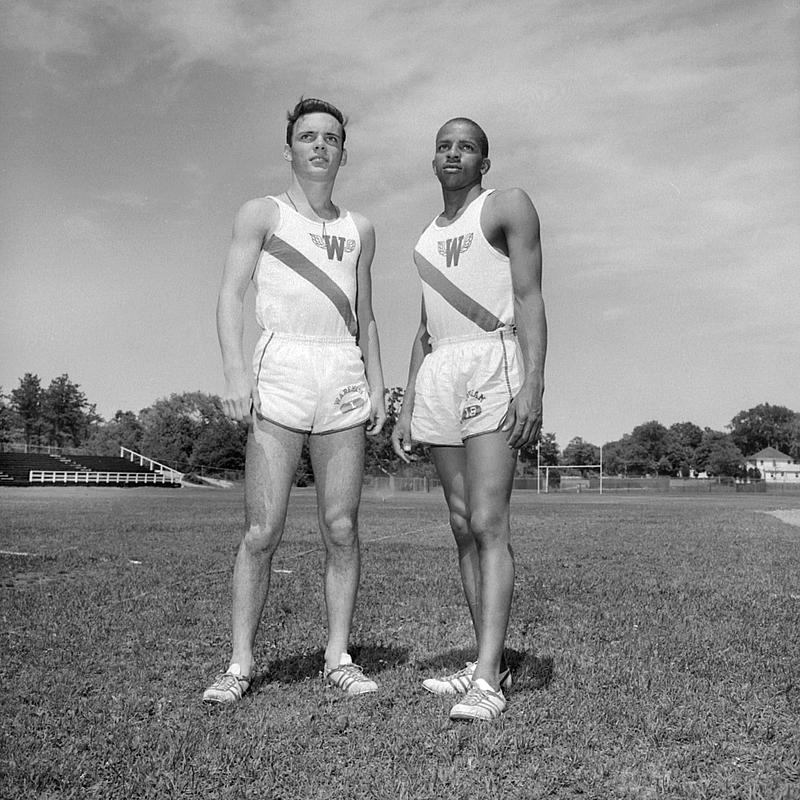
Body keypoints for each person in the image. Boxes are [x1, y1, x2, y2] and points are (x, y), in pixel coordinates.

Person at [204, 98, 386, 704]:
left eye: (330, 138)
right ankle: (239, 664)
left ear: (342, 151)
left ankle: (338, 656)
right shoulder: (262, 213)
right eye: (307, 136)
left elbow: (365, 315)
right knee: (262, 529)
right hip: (280, 367)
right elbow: (231, 296)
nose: (318, 146)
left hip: (340, 370)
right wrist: (235, 372)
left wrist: (377, 383)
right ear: (289, 148)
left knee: (341, 526)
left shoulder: (360, 228)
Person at [391, 117, 546, 721]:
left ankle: (488, 681)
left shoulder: (506, 205)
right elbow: (425, 329)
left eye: (467, 147)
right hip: (440, 371)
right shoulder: (424, 238)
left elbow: (530, 296)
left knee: (488, 520)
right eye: (444, 146)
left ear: (484, 162)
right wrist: (406, 407)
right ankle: (491, 659)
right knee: (460, 523)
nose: (453, 153)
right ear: (433, 162)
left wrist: (533, 384)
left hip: (492, 360)